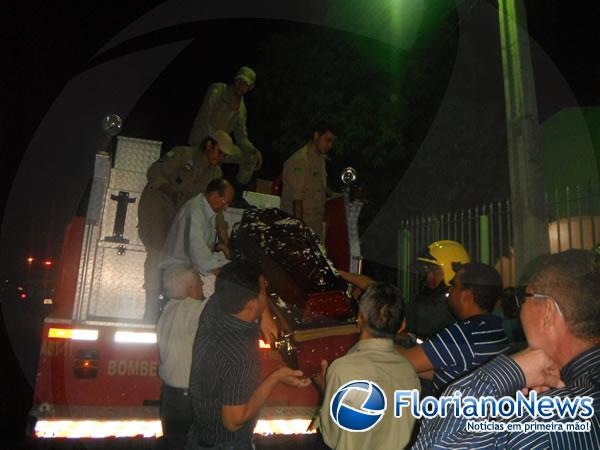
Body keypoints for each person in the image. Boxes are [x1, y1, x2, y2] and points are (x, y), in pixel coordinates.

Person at [412, 249, 600, 449]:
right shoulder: (494, 328)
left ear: (548, 312)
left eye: (524, 297)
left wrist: (507, 372)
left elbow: (434, 445)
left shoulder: (544, 422)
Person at [186, 260, 311, 450]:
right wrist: (276, 377)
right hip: (227, 444)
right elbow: (234, 420)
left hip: (199, 436)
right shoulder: (241, 356)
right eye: (264, 291)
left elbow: (236, 275)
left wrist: (265, 314)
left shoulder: (215, 307)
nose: (266, 293)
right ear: (252, 305)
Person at [138, 131, 234, 322]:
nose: (221, 157)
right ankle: (150, 308)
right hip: (159, 206)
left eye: (225, 155)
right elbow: (154, 172)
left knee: (183, 259)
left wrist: (225, 240)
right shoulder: (183, 154)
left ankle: (172, 305)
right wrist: (170, 190)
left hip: (181, 216)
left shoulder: (215, 174)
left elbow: (217, 210)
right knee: (157, 254)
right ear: (209, 145)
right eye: (219, 152)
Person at [314, 282, 421, 450]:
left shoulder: (342, 369)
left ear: (360, 317)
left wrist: (324, 388)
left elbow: (331, 436)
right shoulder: (409, 372)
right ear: (402, 326)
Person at [398, 262, 510, 396]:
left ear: (467, 295)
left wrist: (380, 343)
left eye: (454, 285)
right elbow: (449, 370)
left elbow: (399, 361)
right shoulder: (496, 330)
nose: (450, 290)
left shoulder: (464, 334)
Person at [156, 265, 206, 450]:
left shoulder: (167, 311)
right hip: (189, 403)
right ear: (190, 289)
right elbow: (229, 304)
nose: (202, 286)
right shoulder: (192, 309)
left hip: (170, 399)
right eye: (199, 283)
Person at [188, 66, 263, 186]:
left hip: (221, 148)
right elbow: (204, 119)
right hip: (202, 142)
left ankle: (238, 188)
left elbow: (241, 138)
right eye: (240, 80)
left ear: (250, 87)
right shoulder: (217, 90)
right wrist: (216, 147)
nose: (241, 85)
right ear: (234, 79)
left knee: (251, 157)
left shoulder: (242, 110)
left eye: (245, 83)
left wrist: (255, 151)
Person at [281, 122, 339, 240]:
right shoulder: (300, 161)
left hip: (315, 227)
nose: (330, 146)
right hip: (298, 228)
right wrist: (299, 233)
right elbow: (297, 202)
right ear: (316, 135)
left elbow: (320, 186)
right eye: (327, 140)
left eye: (332, 142)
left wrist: (336, 196)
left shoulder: (320, 159)